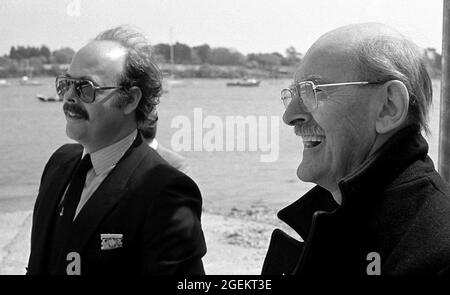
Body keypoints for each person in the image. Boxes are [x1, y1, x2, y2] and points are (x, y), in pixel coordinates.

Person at [262, 23, 450, 275]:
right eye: (294, 93)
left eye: (313, 91)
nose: (290, 116)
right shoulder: (337, 217)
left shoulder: (436, 252)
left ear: (389, 107)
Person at [27, 25, 206, 275]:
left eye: (85, 88)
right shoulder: (59, 163)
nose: (68, 97)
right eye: (65, 84)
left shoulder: (166, 191)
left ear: (130, 99)